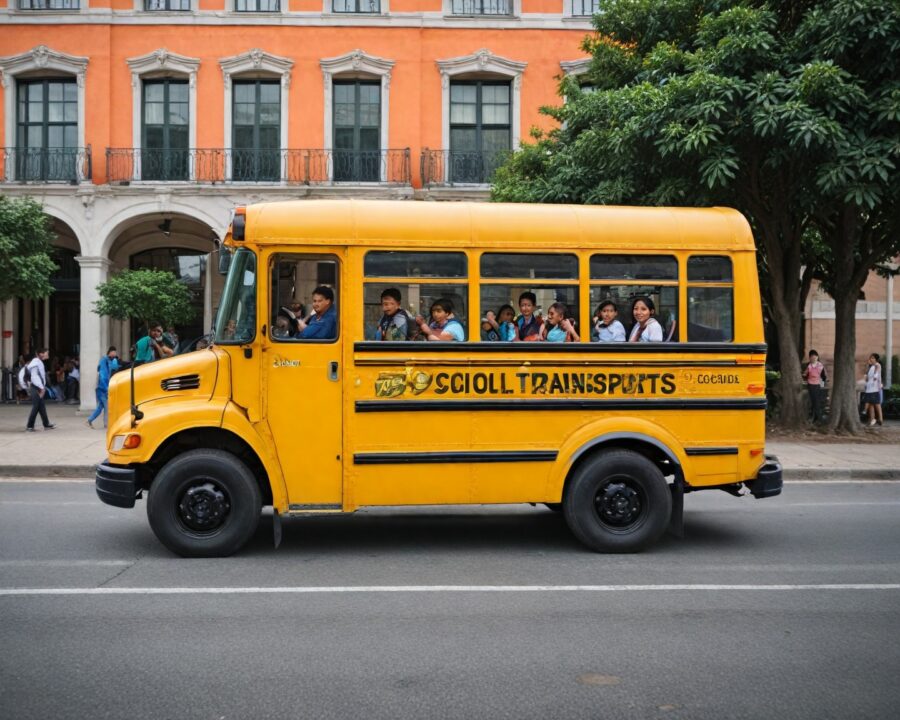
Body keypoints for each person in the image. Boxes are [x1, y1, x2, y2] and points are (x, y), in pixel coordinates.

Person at [87, 346, 119, 429]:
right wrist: (106, 388)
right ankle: (106, 425)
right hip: (102, 388)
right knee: (107, 407)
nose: (115, 354)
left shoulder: (111, 361)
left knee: (100, 407)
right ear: (110, 352)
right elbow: (102, 375)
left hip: (104, 388)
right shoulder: (104, 360)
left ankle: (89, 420)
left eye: (115, 352)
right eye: (114, 352)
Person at [25, 348, 55, 432]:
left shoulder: (38, 362)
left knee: (41, 407)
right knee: (36, 407)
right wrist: (41, 388)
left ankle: (46, 424)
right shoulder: (35, 362)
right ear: (41, 354)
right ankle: (29, 426)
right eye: (46, 353)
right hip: (36, 388)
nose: (48, 355)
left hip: (38, 387)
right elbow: (34, 377)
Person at [802, 349, 828, 424]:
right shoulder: (808, 366)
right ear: (810, 358)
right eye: (812, 357)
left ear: (817, 357)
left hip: (818, 385)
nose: (813, 358)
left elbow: (823, 376)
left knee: (817, 401)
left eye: (815, 356)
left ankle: (817, 418)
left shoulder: (820, 365)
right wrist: (803, 376)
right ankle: (815, 417)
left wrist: (822, 386)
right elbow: (805, 375)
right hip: (810, 385)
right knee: (813, 401)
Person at [862, 353, 883, 427]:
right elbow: (866, 378)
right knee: (870, 404)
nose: (871, 359)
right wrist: (867, 366)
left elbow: (876, 374)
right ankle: (872, 419)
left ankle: (880, 419)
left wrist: (875, 376)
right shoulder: (870, 367)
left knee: (877, 404)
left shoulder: (877, 365)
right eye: (871, 358)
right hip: (869, 388)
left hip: (875, 388)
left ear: (876, 359)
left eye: (873, 358)